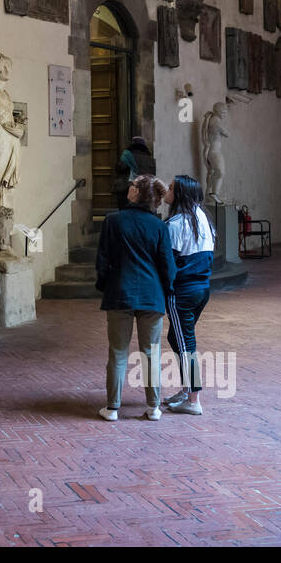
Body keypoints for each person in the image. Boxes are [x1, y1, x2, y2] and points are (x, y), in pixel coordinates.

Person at [95, 173, 175, 421]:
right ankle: (153, 407)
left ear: (136, 192)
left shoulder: (113, 221)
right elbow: (168, 267)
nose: (128, 187)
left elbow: (102, 261)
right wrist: (165, 290)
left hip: (120, 293)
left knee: (117, 352)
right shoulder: (159, 227)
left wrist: (104, 285)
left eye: (132, 185)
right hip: (152, 296)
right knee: (150, 352)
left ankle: (112, 408)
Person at [161, 175, 216, 414]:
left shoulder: (175, 224)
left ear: (180, 194)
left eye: (171, 188)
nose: (167, 190)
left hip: (182, 292)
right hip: (202, 289)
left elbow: (168, 262)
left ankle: (193, 401)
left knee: (186, 345)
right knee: (177, 338)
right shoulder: (203, 218)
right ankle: (186, 391)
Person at [113, 136, 155, 209]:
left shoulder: (127, 155)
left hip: (126, 189)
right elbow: (152, 175)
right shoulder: (150, 159)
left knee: (125, 211)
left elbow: (120, 168)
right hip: (143, 190)